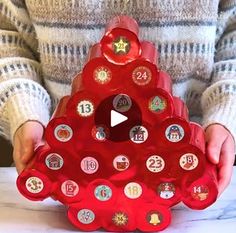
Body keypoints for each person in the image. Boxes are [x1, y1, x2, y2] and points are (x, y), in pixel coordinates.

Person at [0, 0, 235, 196]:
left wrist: (227, 108)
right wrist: (23, 107)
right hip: (64, 170)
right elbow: (9, 36)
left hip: (186, 172)